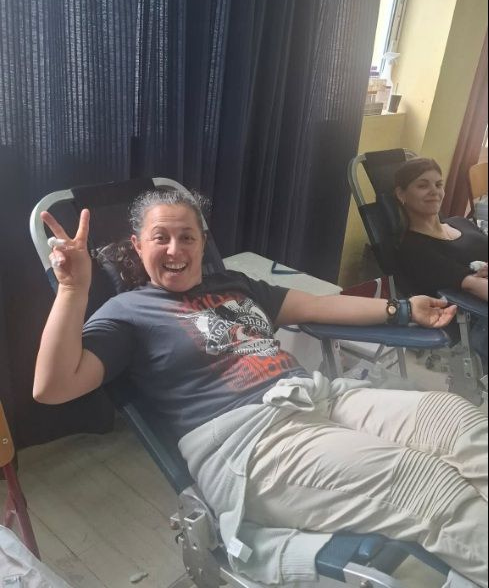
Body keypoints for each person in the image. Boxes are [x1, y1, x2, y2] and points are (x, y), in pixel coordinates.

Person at [34, 190, 487, 587]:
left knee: (458, 419)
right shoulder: (127, 312)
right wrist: (72, 288)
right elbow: (52, 388)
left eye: (187, 237)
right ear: (138, 246)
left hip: (317, 397)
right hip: (252, 443)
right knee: (427, 486)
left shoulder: (233, 284)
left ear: (202, 242)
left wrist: (402, 310)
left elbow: (316, 306)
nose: (175, 249)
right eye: (160, 238)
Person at [394, 158, 488, 303]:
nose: (434, 191)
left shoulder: (460, 221)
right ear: (401, 194)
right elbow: (473, 285)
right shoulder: (414, 248)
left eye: (438, 185)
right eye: (422, 186)